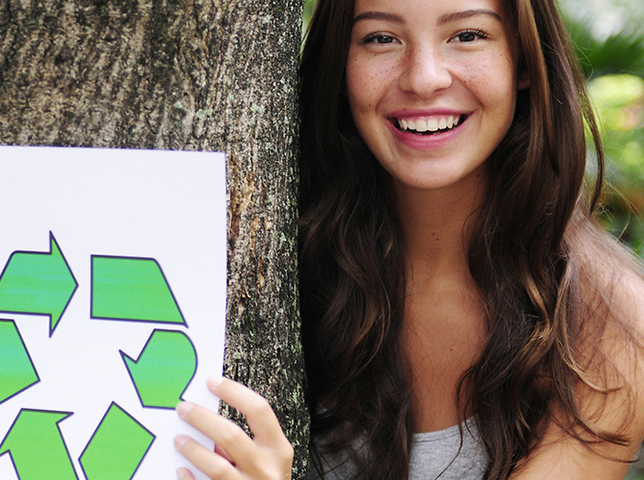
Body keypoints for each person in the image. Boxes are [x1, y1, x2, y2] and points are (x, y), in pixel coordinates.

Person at [173, 0, 644, 478]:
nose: (423, 78)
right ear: (341, 66)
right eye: (381, 38)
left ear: (523, 60)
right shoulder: (274, 256)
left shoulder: (610, 326)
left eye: (467, 35)